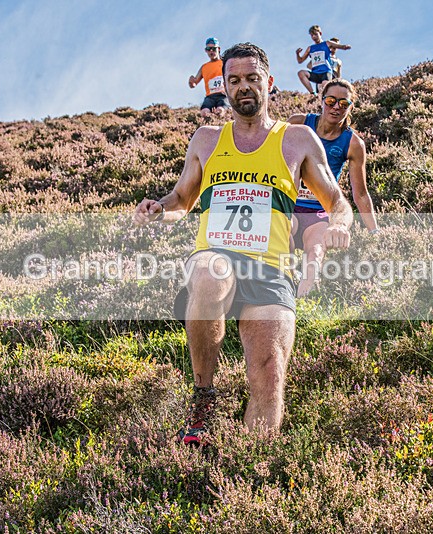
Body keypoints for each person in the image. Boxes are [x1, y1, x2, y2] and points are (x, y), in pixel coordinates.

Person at [134, 42, 353, 444]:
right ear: (226, 87)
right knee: (208, 273)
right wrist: (156, 209)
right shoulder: (206, 139)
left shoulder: (298, 139)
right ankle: (203, 398)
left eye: (252, 79)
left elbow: (338, 202)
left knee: (269, 373)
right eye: (233, 80)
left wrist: (340, 224)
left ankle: (251, 466)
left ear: (270, 83)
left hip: (271, 269)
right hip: (217, 255)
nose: (243, 87)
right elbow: (181, 199)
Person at [287, 79, 379, 297]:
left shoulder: (353, 143)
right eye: (330, 101)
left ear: (350, 107)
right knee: (283, 236)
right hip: (290, 205)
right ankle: (285, 290)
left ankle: (305, 298)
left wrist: (375, 232)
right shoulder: (298, 123)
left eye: (343, 103)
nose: (336, 107)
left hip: (319, 211)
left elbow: (361, 194)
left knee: (316, 249)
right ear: (321, 101)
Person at [296, 25, 351, 95]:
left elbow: (339, 46)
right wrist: (297, 54)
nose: (314, 37)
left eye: (315, 34)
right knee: (301, 73)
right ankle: (313, 93)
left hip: (326, 72)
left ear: (320, 33)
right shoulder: (310, 48)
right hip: (316, 73)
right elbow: (300, 61)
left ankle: (325, 99)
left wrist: (345, 47)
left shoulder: (327, 43)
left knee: (324, 86)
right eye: (312, 35)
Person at [188, 37, 229, 118]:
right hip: (210, 97)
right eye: (208, 49)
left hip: (224, 95)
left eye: (213, 49)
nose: (211, 51)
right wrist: (191, 82)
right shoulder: (204, 67)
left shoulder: (225, 63)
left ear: (218, 49)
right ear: (205, 50)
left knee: (220, 111)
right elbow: (193, 84)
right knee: (204, 113)